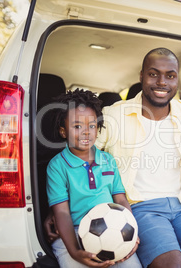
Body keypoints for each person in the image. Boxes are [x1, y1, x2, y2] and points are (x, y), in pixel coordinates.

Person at [46, 48, 181, 268]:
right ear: (141, 76)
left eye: (170, 75)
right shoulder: (114, 115)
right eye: (153, 74)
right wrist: (57, 210)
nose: (162, 82)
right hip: (139, 207)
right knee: (173, 265)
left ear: (177, 80)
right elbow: (83, 155)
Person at [46, 89, 141, 268]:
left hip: (115, 227)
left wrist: (131, 232)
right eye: (77, 126)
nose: (86, 132)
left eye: (91, 126)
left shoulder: (108, 160)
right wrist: (74, 251)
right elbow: (62, 213)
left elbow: (120, 199)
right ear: (63, 131)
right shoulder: (57, 166)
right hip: (73, 233)